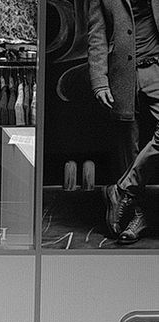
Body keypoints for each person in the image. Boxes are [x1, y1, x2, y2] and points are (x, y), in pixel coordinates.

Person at [89, 0, 159, 243]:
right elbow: (96, 34)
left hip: (156, 70)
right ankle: (136, 217)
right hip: (123, 75)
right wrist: (99, 80)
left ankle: (121, 189)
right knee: (129, 146)